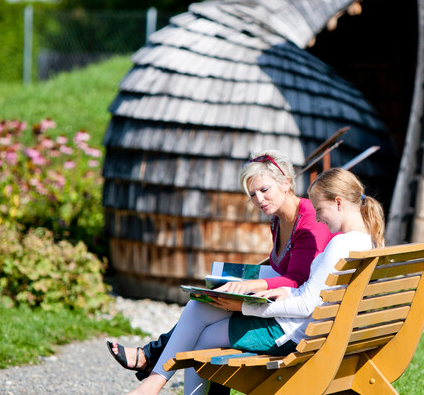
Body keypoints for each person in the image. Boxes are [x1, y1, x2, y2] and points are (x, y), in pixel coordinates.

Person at [123, 168, 385, 395]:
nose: (318, 218)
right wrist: (280, 291)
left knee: (203, 336)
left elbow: (306, 305)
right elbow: (312, 294)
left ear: (339, 202)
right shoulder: (366, 240)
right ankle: (153, 384)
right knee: (202, 317)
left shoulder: (340, 243)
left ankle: (152, 382)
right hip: (316, 331)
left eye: (320, 209)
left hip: (292, 335)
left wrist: (245, 307)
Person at [107, 149, 333, 379]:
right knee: (205, 303)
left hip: (293, 323)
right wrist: (241, 282)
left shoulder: (308, 223)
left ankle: (150, 358)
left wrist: (250, 286)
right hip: (282, 308)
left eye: (264, 190)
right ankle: (151, 358)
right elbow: (284, 270)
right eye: (252, 194)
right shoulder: (277, 220)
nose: (259, 200)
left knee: (204, 322)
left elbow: (298, 279)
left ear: (286, 182)